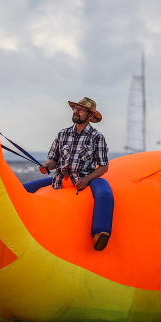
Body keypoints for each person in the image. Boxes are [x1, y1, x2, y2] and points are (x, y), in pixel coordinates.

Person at [25, 97, 115, 251]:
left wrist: (87, 179)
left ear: (90, 116)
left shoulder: (97, 137)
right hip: (61, 179)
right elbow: (53, 160)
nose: (75, 112)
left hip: (84, 178)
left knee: (105, 194)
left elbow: (103, 167)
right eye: (74, 109)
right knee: (22, 189)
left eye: (80, 110)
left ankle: (99, 233)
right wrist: (46, 166)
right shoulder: (62, 134)